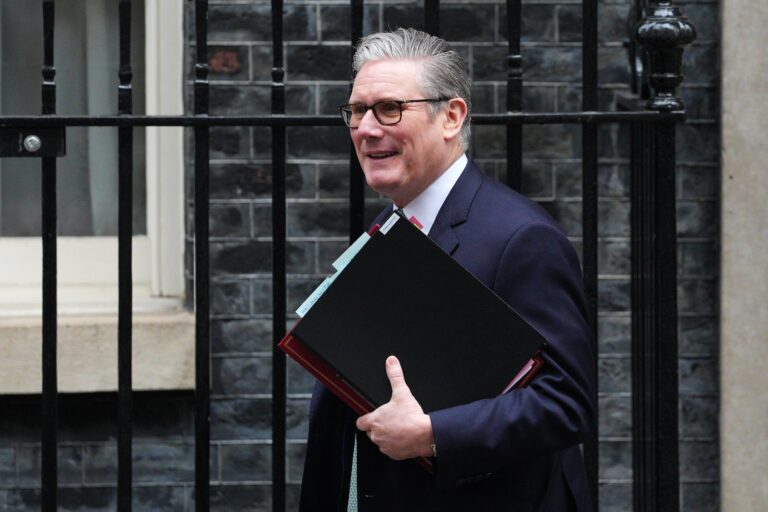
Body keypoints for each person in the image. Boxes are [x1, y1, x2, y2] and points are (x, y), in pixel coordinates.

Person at [299, 28, 595, 512]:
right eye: (356, 110)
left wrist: (432, 434)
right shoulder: (390, 224)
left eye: (389, 108)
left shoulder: (522, 238)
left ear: (451, 117)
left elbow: (567, 403)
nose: (366, 128)